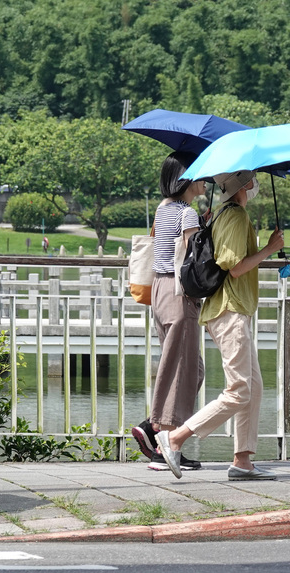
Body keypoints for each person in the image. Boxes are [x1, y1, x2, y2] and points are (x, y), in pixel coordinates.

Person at [155, 170, 284, 481]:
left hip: (226, 309)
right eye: (253, 180)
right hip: (229, 310)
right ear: (243, 185)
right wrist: (269, 248)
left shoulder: (223, 214)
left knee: (253, 387)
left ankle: (243, 461)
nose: (256, 185)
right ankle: (175, 439)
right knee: (240, 389)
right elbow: (235, 268)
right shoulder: (236, 216)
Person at [132, 151, 206, 472]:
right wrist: (206, 229)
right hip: (179, 293)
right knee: (184, 369)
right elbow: (194, 257)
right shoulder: (187, 213)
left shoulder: (164, 209)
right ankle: (163, 442)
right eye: (201, 173)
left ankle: (156, 427)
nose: (206, 178)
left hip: (159, 290)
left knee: (187, 368)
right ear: (187, 178)